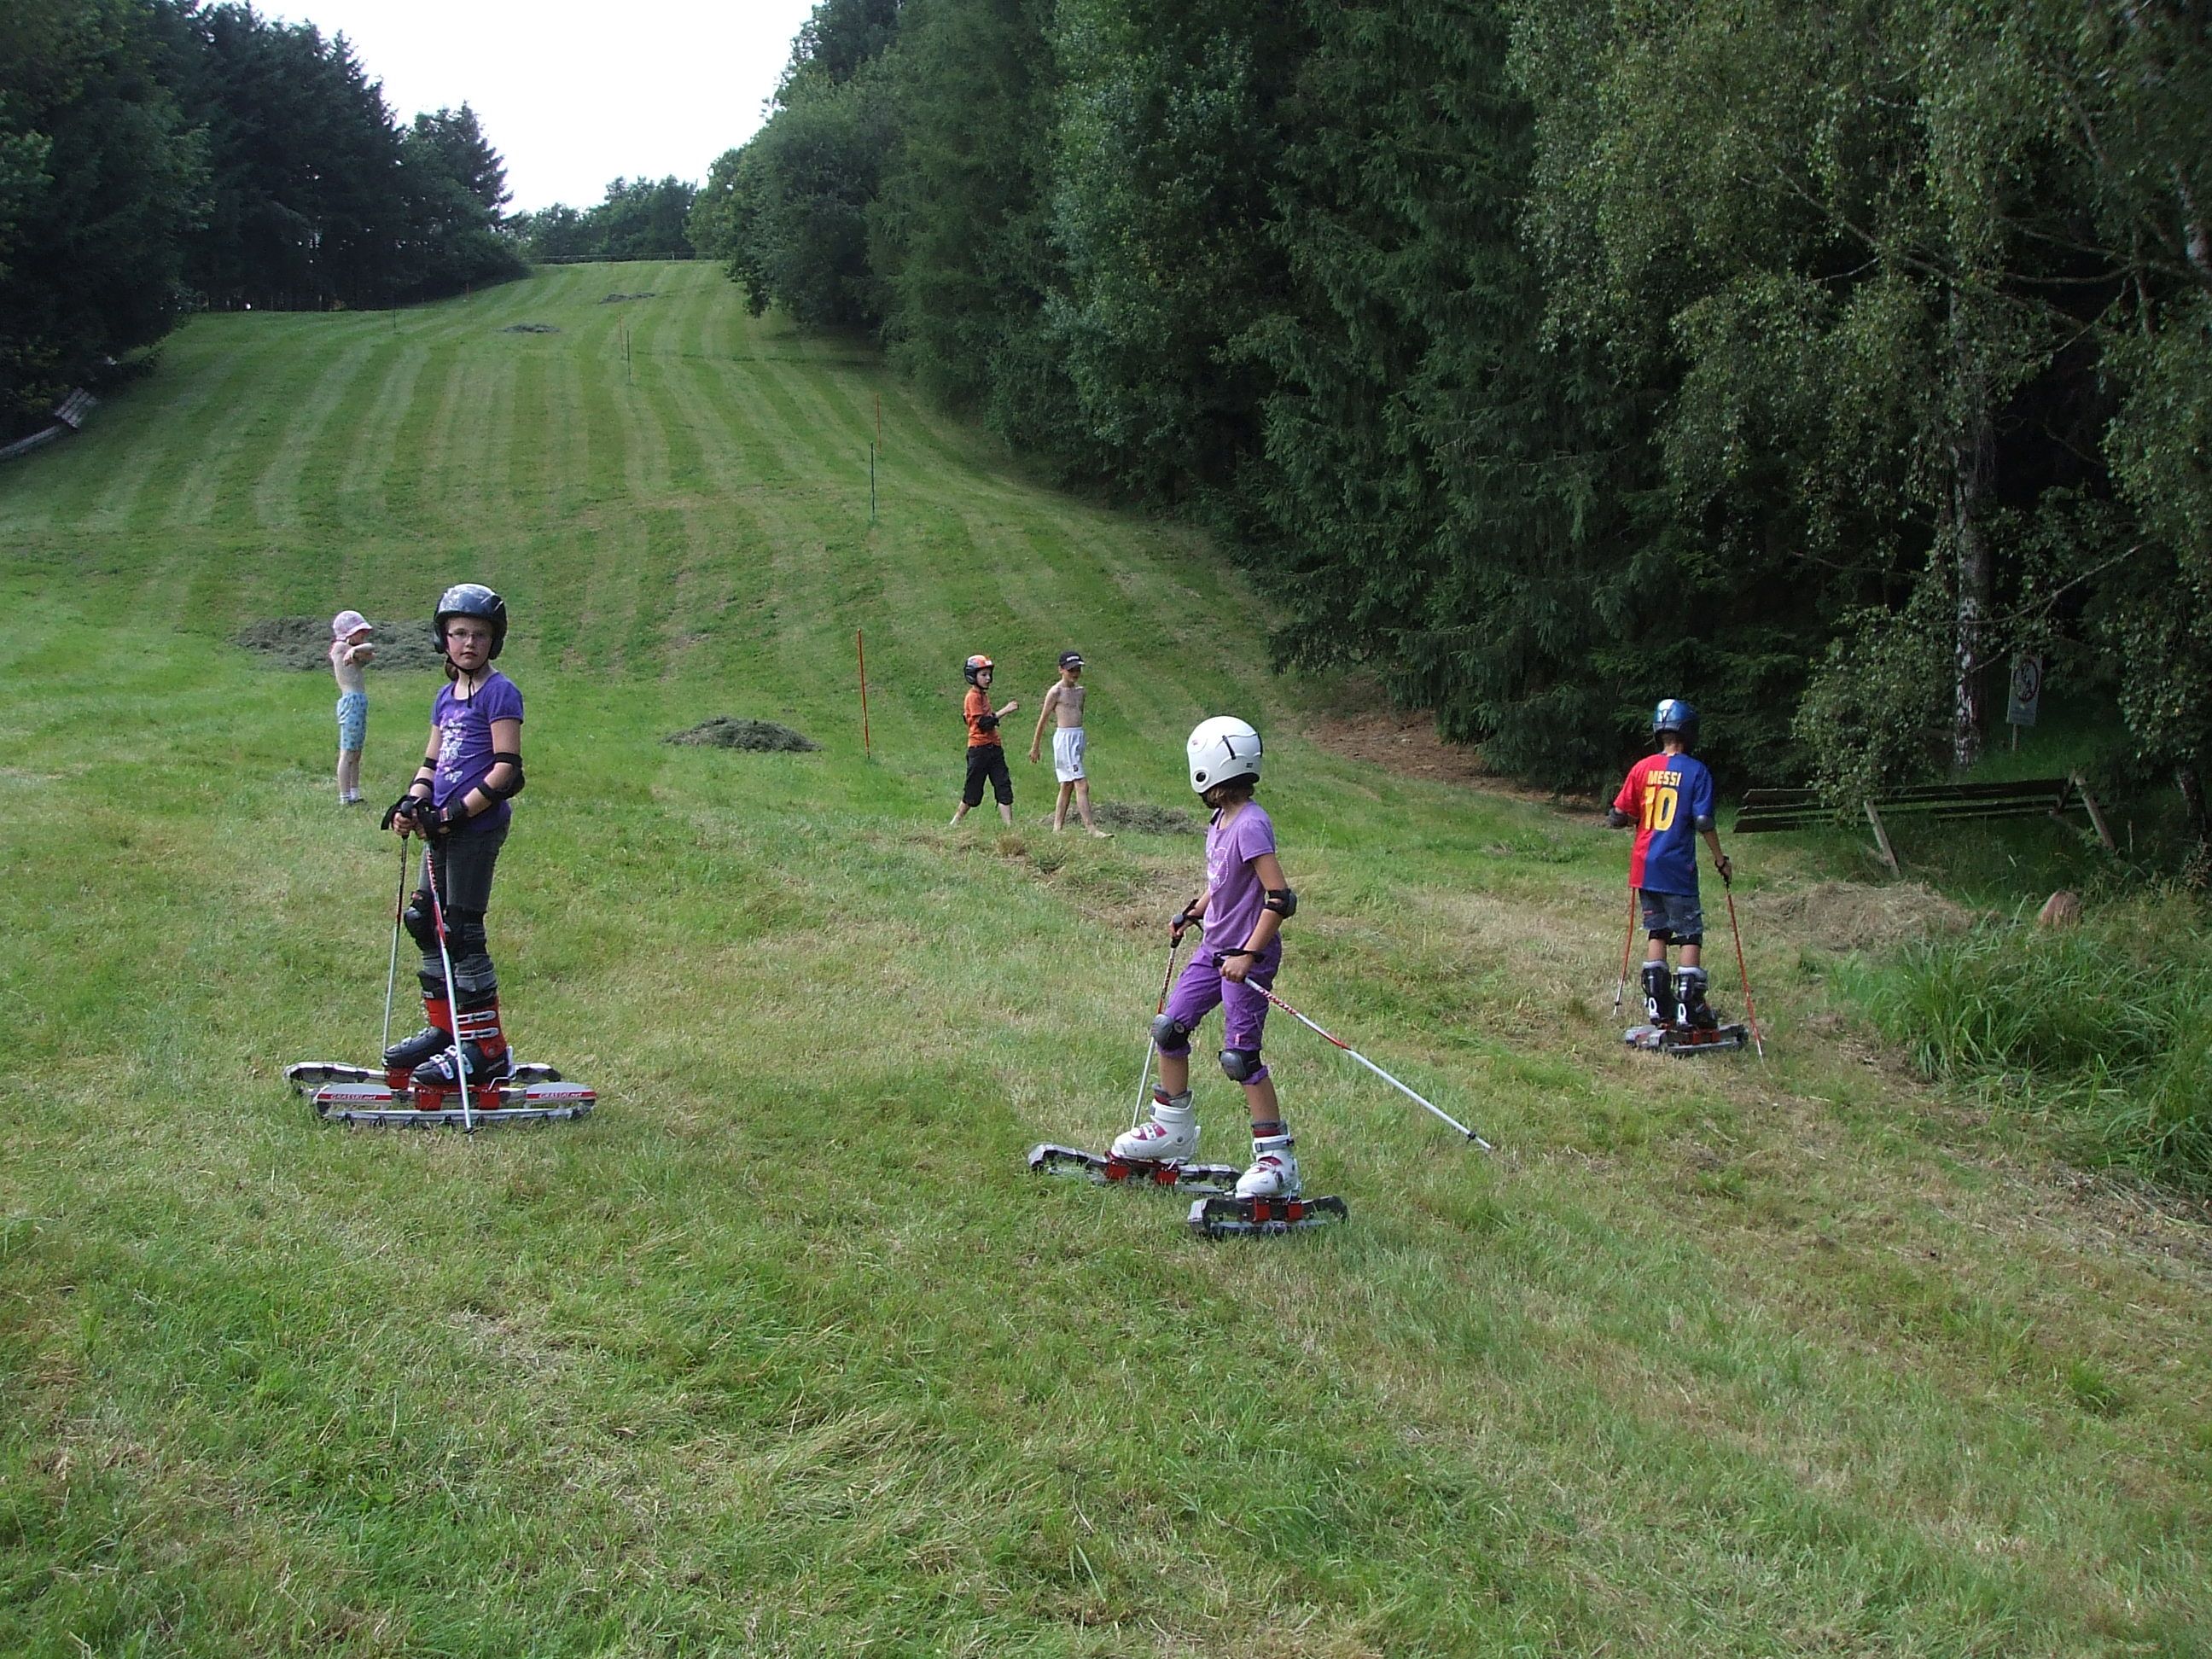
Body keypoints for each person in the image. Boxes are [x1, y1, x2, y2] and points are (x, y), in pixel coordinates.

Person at [1111, 716, 1304, 1199]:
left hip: (1245, 958)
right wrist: (1194, 910)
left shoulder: (1253, 825)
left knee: (1240, 1057)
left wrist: (1249, 954)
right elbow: (1223, 882)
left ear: (1211, 773)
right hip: (1211, 949)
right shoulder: (1220, 821)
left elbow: (1280, 898)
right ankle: (1172, 1128)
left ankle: (1277, 1160)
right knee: (1169, 1028)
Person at [379, 584, 527, 1098]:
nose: (468, 643)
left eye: (479, 635)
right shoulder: (446, 696)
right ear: (443, 639)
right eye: (459, 633)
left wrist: (455, 814)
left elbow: (507, 769)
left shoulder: (500, 692)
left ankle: (484, 1049)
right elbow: (432, 763)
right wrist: (412, 804)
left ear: (494, 642)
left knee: (462, 931)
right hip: (441, 827)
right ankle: (447, 1033)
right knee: (426, 920)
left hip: (476, 829)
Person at [1608, 698, 1732, 1028]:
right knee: (1690, 933)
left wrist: (1625, 817)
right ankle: (1689, 1007)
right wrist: (1721, 860)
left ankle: (1656, 1004)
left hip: (1645, 866)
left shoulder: (1642, 768)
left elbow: (1618, 815)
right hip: (1678, 868)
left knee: (1657, 930)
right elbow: (1704, 821)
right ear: (1689, 733)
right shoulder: (1696, 771)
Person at [1027, 651, 1111, 837]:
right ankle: (1091, 828)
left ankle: (1057, 828)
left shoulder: (1081, 692)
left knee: (1067, 784)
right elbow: (1043, 720)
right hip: (1064, 740)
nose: (1075, 673)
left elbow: (1079, 713)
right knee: (1081, 784)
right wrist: (1036, 746)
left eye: (1077, 669)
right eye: (1071, 669)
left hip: (1077, 738)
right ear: (1061, 670)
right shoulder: (1056, 692)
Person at [949, 654, 1018, 828]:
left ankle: (1009, 826)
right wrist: (1006, 710)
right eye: (983, 675)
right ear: (973, 676)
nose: (988, 678)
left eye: (989, 674)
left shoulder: (983, 696)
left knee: (1003, 786)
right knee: (973, 790)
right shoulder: (972, 697)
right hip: (979, 750)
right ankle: (955, 821)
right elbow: (983, 724)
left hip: (994, 748)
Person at [329, 610, 375, 806]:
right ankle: (344, 797)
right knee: (347, 752)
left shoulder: (352, 651)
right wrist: (351, 650)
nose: (363, 636)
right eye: (360, 632)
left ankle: (355, 793)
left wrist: (355, 651)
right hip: (351, 701)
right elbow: (344, 650)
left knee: (357, 753)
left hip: (360, 701)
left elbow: (371, 650)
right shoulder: (340, 647)